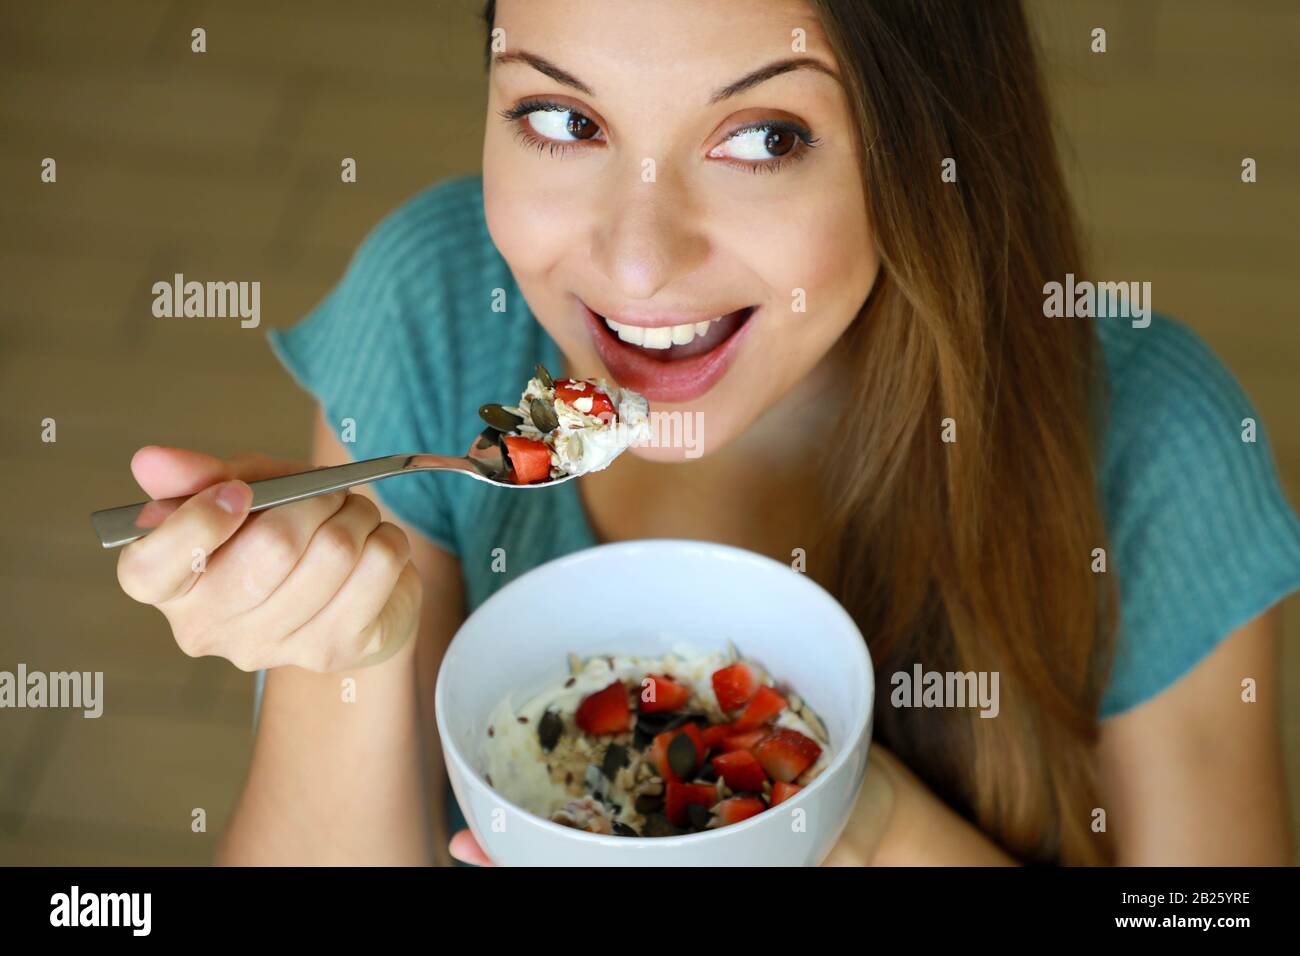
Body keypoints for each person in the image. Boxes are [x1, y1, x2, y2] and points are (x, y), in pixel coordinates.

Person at [115, 0, 1299, 865]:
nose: (635, 262)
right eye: (560, 116)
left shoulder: (1159, 448)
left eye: (764, 138)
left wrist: (857, 826)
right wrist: (356, 656)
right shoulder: (436, 310)